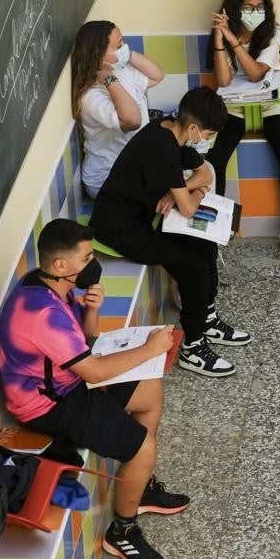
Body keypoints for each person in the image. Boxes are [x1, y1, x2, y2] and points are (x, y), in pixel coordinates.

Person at [0, 219, 188, 559]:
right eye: (87, 258)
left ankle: (137, 486)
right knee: (143, 448)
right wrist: (149, 348)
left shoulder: (50, 285)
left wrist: (93, 309)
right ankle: (122, 532)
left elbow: (84, 340)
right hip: (48, 405)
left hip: (69, 381)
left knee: (150, 392)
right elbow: (94, 370)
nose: (93, 263)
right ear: (61, 265)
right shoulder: (42, 314)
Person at [92, 86, 251, 378]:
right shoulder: (162, 146)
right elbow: (189, 209)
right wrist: (195, 194)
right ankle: (192, 347)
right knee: (194, 267)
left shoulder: (169, 129)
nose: (207, 140)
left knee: (205, 245)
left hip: (148, 217)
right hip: (122, 229)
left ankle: (207, 318)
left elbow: (206, 172)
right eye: (207, 134)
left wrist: (185, 189)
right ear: (193, 127)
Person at [204, 0, 280, 248]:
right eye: (247, 7)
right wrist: (218, 37)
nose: (254, 12)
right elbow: (223, 81)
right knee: (215, 156)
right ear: (234, 10)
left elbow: (257, 72)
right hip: (234, 105)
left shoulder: (273, 32)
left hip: (273, 103)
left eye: (259, 6)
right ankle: (216, 222)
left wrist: (234, 41)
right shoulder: (224, 33)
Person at [71, 21, 165, 199]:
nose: (125, 48)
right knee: (175, 194)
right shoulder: (90, 96)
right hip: (107, 179)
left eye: (123, 42)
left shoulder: (121, 70)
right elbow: (132, 121)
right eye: (119, 46)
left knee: (198, 175)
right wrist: (108, 79)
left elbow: (157, 76)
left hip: (132, 169)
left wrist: (127, 55)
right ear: (98, 55)